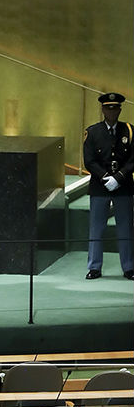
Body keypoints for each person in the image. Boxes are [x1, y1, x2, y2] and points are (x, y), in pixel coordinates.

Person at [83, 91, 134, 279]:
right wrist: (105, 177)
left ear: (120, 110)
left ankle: (129, 267)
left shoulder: (129, 130)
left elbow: (132, 159)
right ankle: (94, 267)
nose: (112, 112)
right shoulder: (93, 132)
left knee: (126, 227)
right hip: (99, 186)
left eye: (115, 108)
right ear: (103, 109)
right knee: (97, 227)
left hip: (124, 186)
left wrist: (119, 177)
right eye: (108, 108)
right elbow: (89, 160)